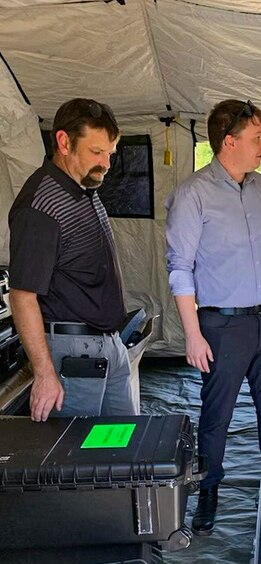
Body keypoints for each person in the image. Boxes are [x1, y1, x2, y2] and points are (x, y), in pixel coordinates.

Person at [166, 98, 261, 535]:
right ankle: (209, 488)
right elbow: (180, 269)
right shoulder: (193, 195)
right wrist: (192, 335)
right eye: (257, 139)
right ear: (229, 143)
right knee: (217, 416)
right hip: (220, 325)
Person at [8, 98, 137, 423]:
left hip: (108, 347)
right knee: (76, 457)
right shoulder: (40, 207)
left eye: (110, 153)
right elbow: (22, 296)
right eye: (96, 152)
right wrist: (45, 372)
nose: (106, 164)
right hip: (73, 355)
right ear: (64, 142)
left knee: (121, 448)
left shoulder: (82, 188)